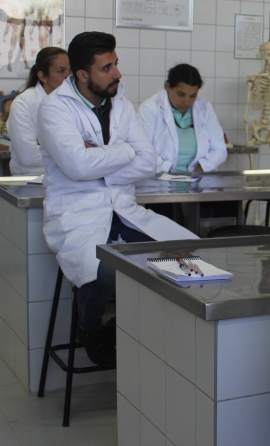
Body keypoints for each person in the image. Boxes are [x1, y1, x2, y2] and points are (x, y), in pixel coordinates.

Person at [37, 32, 197, 367]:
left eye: (116, 64)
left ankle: (131, 328)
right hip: (78, 212)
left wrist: (99, 159)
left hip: (124, 209)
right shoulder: (55, 108)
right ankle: (90, 328)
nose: (117, 73)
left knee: (187, 252)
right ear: (83, 74)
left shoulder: (121, 105)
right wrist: (124, 152)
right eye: (107, 67)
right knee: (103, 271)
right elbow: (77, 166)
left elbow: (147, 162)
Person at [138, 63, 227, 174]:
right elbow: (143, 151)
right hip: (160, 177)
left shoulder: (204, 108)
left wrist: (199, 171)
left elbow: (219, 148)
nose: (186, 101)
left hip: (198, 179)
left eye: (193, 96)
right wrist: (170, 172)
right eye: (181, 94)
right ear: (168, 87)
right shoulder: (150, 109)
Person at [7, 47, 71, 175]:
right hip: (32, 180)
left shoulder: (73, 102)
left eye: (70, 71)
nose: (67, 77)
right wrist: (74, 153)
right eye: (60, 71)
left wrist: (46, 147)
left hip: (68, 178)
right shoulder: (23, 103)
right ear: (43, 76)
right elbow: (28, 156)